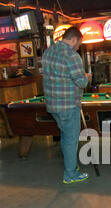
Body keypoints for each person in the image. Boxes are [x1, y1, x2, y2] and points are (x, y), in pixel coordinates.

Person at [42, 27, 91, 184]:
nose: (78, 47)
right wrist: (87, 76)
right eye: (79, 43)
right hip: (68, 106)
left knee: (65, 137)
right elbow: (82, 82)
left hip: (52, 105)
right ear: (74, 39)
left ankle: (71, 167)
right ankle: (70, 174)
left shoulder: (48, 52)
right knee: (71, 140)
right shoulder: (72, 55)